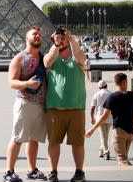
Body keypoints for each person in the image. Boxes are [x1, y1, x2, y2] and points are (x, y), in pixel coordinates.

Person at [3, 26, 47, 182]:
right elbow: (12, 82)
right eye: (34, 34)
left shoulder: (44, 58)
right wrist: (27, 83)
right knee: (17, 138)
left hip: (41, 104)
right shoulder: (19, 58)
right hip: (24, 102)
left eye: (39, 35)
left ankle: (32, 169)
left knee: (34, 139)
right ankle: (9, 171)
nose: (37, 36)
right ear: (26, 38)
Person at [43, 28, 87, 182]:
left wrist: (72, 39)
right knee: (54, 142)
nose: (61, 40)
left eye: (63, 38)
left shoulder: (76, 58)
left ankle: (79, 172)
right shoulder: (51, 58)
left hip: (76, 108)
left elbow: (82, 58)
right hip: (55, 108)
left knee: (78, 143)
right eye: (57, 38)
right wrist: (56, 44)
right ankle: (53, 172)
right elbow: (47, 61)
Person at [85, 73, 133, 166]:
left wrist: (92, 129)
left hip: (119, 132)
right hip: (130, 132)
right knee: (124, 158)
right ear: (124, 82)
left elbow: (105, 116)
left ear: (117, 83)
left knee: (122, 160)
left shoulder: (113, 97)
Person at [90, 80, 113, 160]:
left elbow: (92, 107)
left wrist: (92, 117)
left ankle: (106, 152)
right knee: (105, 135)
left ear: (99, 87)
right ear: (106, 85)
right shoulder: (111, 94)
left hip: (99, 117)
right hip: (109, 117)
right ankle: (101, 151)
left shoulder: (97, 94)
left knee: (103, 135)